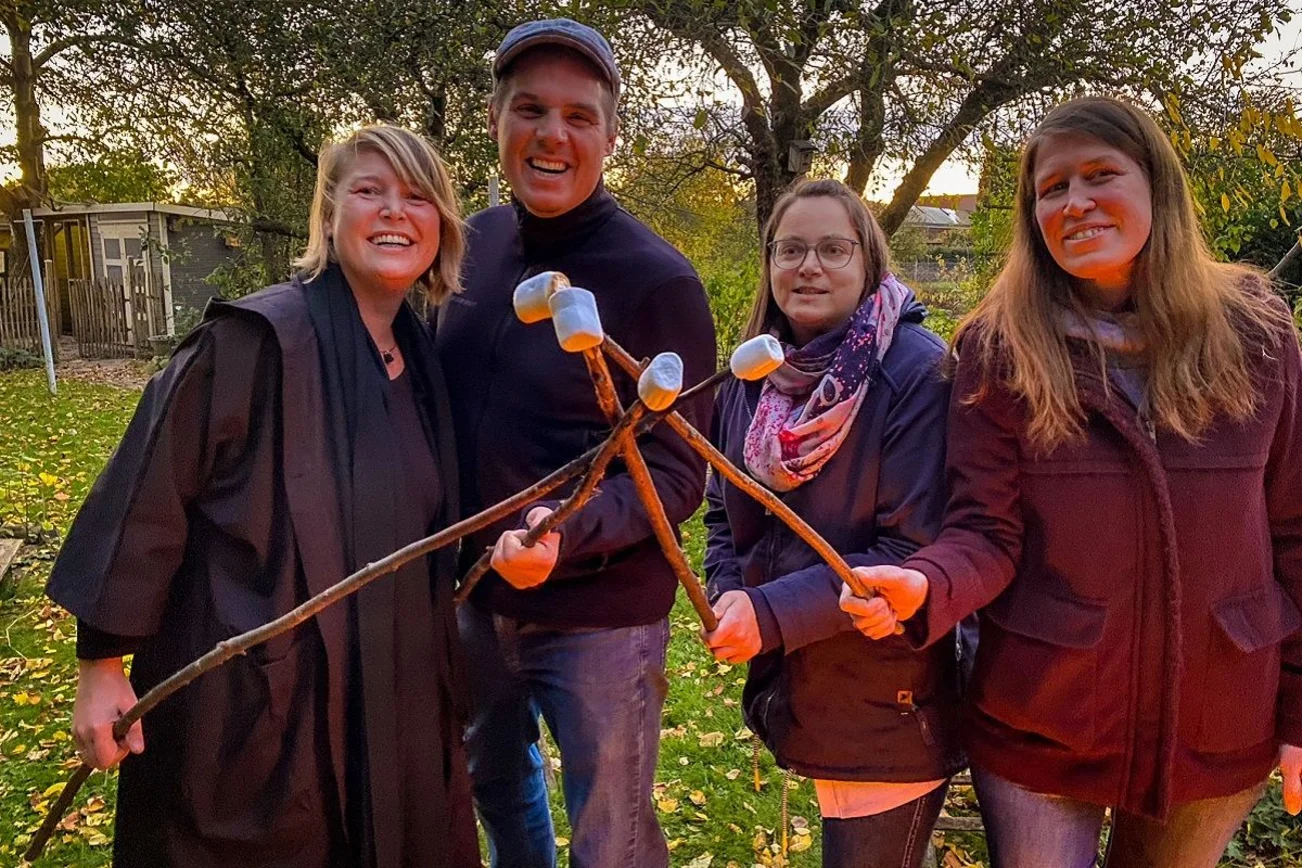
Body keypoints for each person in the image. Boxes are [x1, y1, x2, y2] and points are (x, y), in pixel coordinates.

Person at [842, 96, 1302, 867]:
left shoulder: (1256, 336)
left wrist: (1299, 708)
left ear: (1157, 185)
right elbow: (984, 533)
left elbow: (1293, 528)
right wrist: (924, 585)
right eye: (1052, 188)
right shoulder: (1001, 347)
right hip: (1043, 722)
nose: (1075, 201)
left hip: (1221, 719)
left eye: (1100, 175)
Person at [47, 125, 481, 868]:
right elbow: (145, 496)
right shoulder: (251, 343)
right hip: (267, 707)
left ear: (440, 227)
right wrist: (101, 666)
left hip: (396, 694)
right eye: (368, 191)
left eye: (417, 197)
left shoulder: (423, 360)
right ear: (329, 213)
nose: (393, 213)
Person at [435, 17, 716, 868]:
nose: (552, 134)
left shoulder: (656, 279)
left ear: (610, 135)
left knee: (611, 832)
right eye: (530, 109)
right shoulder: (469, 249)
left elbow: (677, 473)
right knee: (493, 781)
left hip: (600, 620)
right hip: (478, 598)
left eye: (578, 116)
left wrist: (567, 530)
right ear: (497, 124)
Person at [700, 179, 964, 868]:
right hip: (804, 687)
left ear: (868, 261)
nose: (807, 266)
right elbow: (723, 510)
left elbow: (911, 547)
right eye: (790, 249)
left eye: (831, 249)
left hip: (889, 700)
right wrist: (730, 594)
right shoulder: (755, 373)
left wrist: (770, 612)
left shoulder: (915, 372)